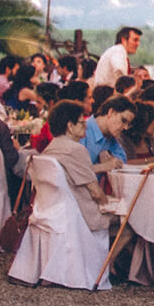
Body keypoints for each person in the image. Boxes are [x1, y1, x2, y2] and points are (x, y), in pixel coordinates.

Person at [40, 100, 108, 234]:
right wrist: (110, 204)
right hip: (82, 215)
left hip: (54, 213)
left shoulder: (48, 150)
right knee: (129, 225)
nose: (86, 127)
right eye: (82, 123)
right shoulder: (76, 150)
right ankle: (108, 256)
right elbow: (96, 192)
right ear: (70, 126)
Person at [82, 96, 133, 172]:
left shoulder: (111, 135)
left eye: (128, 124)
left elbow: (122, 163)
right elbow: (73, 171)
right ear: (111, 112)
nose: (125, 128)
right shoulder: (82, 130)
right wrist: (102, 167)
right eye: (123, 120)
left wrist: (111, 158)